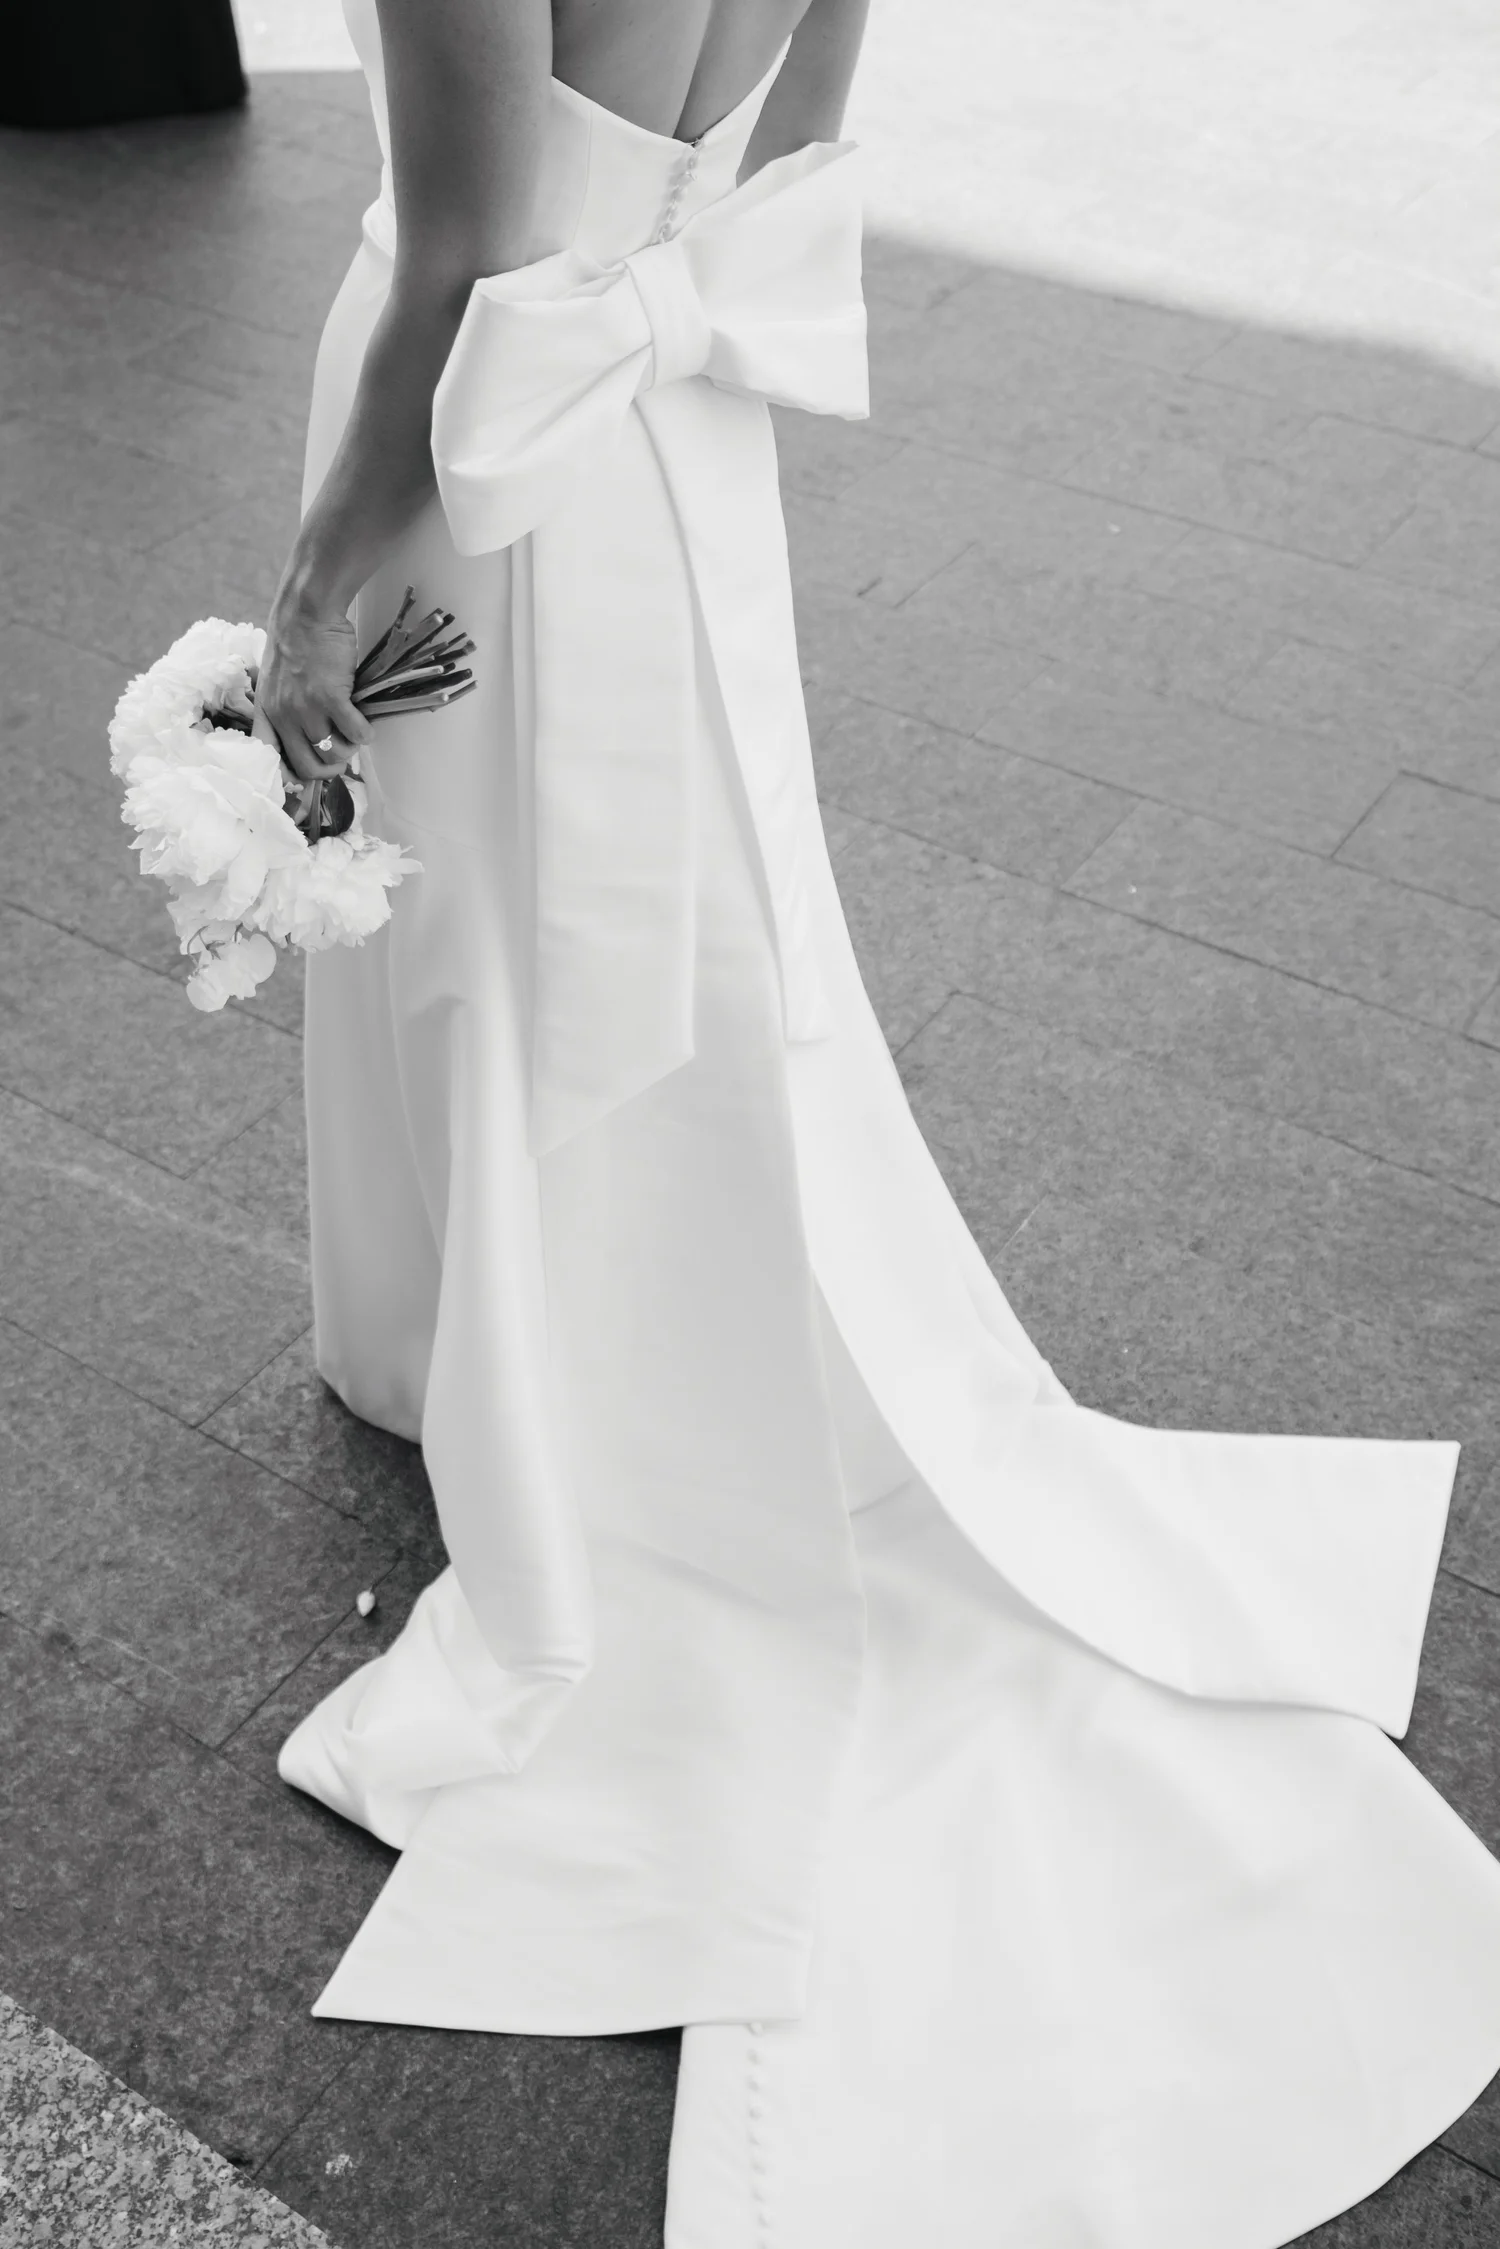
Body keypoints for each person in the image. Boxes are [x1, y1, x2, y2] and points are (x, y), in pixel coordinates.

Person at [257, 1, 1500, 2240]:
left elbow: (457, 255)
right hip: (666, 429)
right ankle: (603, 1331)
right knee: (684, 928)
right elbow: (799, 125)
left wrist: (325, 570)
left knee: (509, 934)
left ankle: (539, 1378)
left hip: (489, 436)